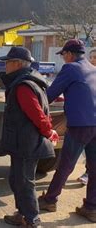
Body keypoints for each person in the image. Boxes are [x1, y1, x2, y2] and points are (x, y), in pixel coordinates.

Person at [0, 47, 58, 227]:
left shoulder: (23, 86)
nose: (5, 66)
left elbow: (37, 114)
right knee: (16, 180)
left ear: (16, 64)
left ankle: (32, 220)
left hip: (26, 143)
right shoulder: (31, 81)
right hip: (21, 141)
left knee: (24, 183)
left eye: (7, 62)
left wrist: (49, 131)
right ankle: (22, 214)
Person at [38, 39, 96, 223]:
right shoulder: (93, 68)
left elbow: (49, 94)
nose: (63, 59)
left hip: (80, 125)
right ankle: (91, 208)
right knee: (94, 168)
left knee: (66, 164)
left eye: (63, 55)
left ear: (69, 54)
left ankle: (49, 200)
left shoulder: (71, 69)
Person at [77, 48, 96, 185]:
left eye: (95, 57)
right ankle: (88, 173)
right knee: (90, 150)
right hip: (89, 119)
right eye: (92, 57)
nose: (93, 60)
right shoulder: (87, 74)